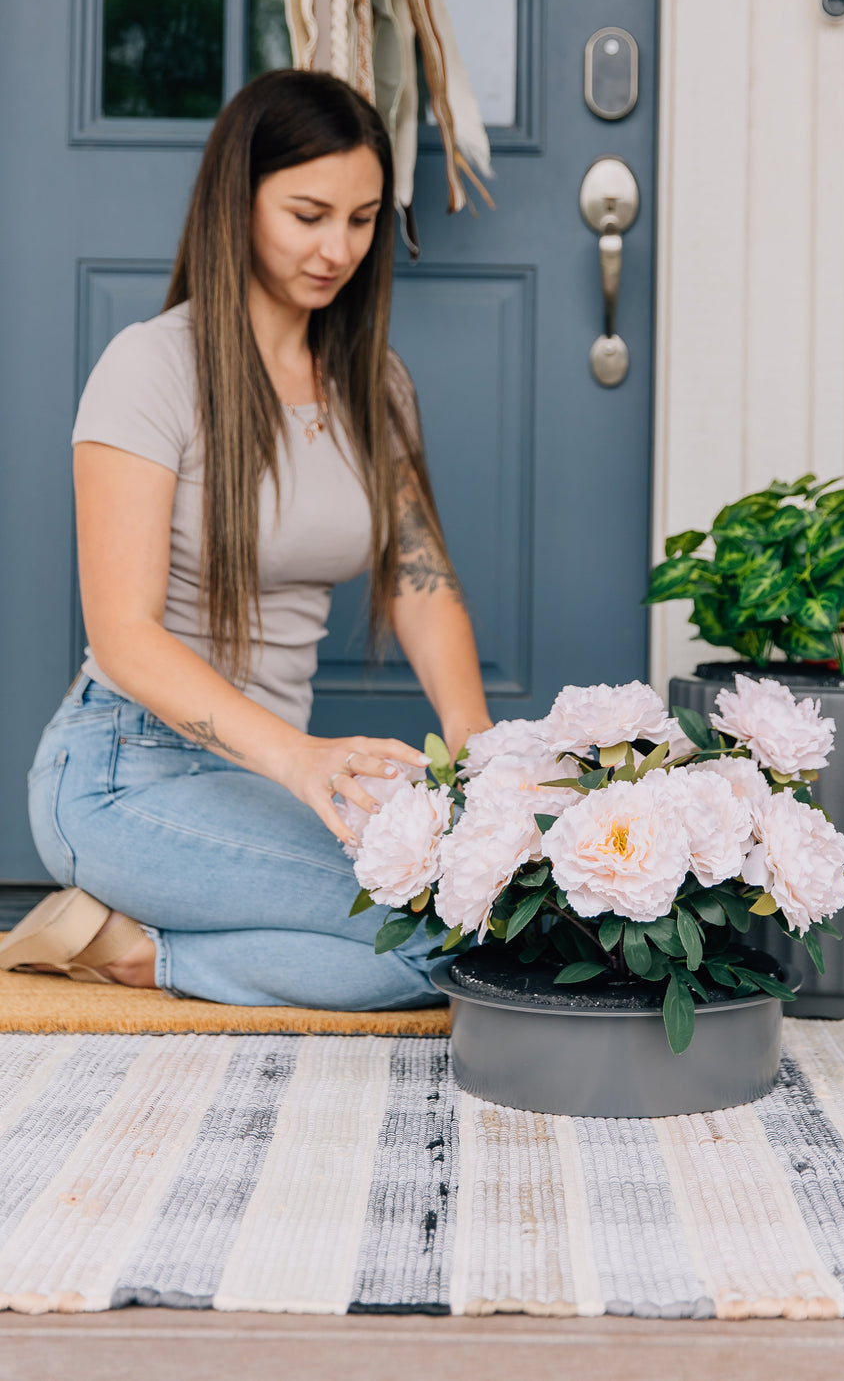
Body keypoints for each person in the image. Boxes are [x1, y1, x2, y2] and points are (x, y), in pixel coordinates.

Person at [1, 70, 491, 1009]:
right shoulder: (151, 368)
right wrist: (302, 760)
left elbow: (419, 579)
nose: (337, 248)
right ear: (240, 199)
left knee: (482, 911)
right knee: (435, 944)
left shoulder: (373, 384)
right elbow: (123, 635)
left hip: (266, 782)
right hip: (122, 773)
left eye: (361, 219)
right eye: (307, 213)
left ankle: (141, 935)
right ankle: (139, 948)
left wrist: (477, 755)